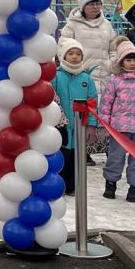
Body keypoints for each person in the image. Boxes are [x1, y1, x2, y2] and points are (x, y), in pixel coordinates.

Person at [51, 38, 99, 195]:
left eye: (78, 54)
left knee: (76, 158)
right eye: (70, 53)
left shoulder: (87, 79)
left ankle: (72, 186)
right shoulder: (56, 76)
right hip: (61, 125)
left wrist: (91, 124)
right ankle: (57, 185)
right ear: (63, 56)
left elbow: (92, 103)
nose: (74, 57)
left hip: (80, 126)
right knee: (60, 156)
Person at [99, 37, 135, 202]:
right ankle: (111, 183)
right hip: (119, 128)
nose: (132, 63)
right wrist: (104, 123)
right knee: (115, 157)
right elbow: (106, 103)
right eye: (128, 60)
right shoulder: (115, 81)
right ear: (121, 62)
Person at [60, 0, 117, 95]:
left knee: (103, 104)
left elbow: (114, 48)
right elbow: (62, 49)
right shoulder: (72, 25)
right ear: (83, 6)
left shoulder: (106, 25)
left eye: (98, 3)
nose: (95, 7)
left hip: (104, 77)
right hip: (80, 75)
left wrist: (111, 64)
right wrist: (73, 68)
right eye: (91, 4)